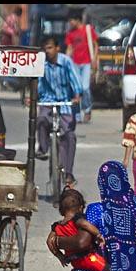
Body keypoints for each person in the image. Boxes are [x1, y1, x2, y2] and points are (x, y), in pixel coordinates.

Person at [48, 188, 124, 271]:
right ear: (80, 208)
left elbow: (49, 241)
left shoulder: (56, 226)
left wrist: (59, 255)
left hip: (73, 260)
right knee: (105, 269)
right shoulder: (77, 220)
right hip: (87, 257)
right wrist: (98, 235)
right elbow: (86, 225)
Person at [34, 36, 82, 186]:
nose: (47, 51)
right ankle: (43, 149)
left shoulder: (66, 62)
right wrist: (34, 97)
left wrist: (77, 95)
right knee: (41, 120)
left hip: (66, 102)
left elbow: (75, 80)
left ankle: (68, 173)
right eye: (45, 48)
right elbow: (39, 84)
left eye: (50, 47)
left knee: (69, 136)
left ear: (57, 48)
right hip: (48, 101)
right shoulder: (42, 64)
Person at [64, 10, 99, 124]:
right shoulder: (70, 34)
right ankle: (77, 114)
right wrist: (65, 60)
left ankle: (87, 109)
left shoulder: (88, 30)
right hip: (75, 64)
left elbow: (95, 45)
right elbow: (69, 48)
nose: (70, 23)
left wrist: (94, 58)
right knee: (75, 89)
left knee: (85, 88)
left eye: (71, 20)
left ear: (77, 20)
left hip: (86, 63)